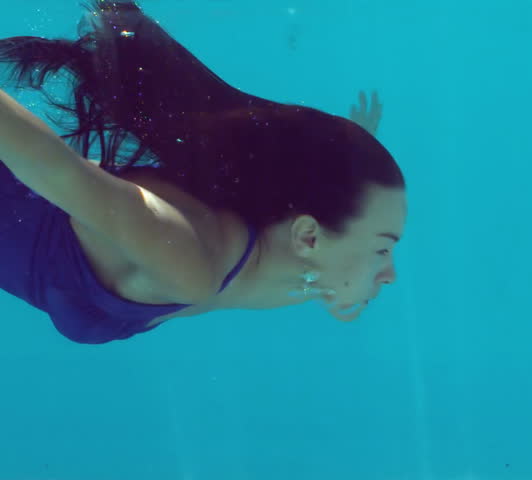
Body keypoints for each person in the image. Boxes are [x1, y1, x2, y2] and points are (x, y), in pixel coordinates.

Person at [0, 0, 407, 344]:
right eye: (381, 249)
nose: (389, 275)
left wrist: (347, 160)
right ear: (309, 236)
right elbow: (56, 171)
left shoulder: (289, 263)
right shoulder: (189, 262)